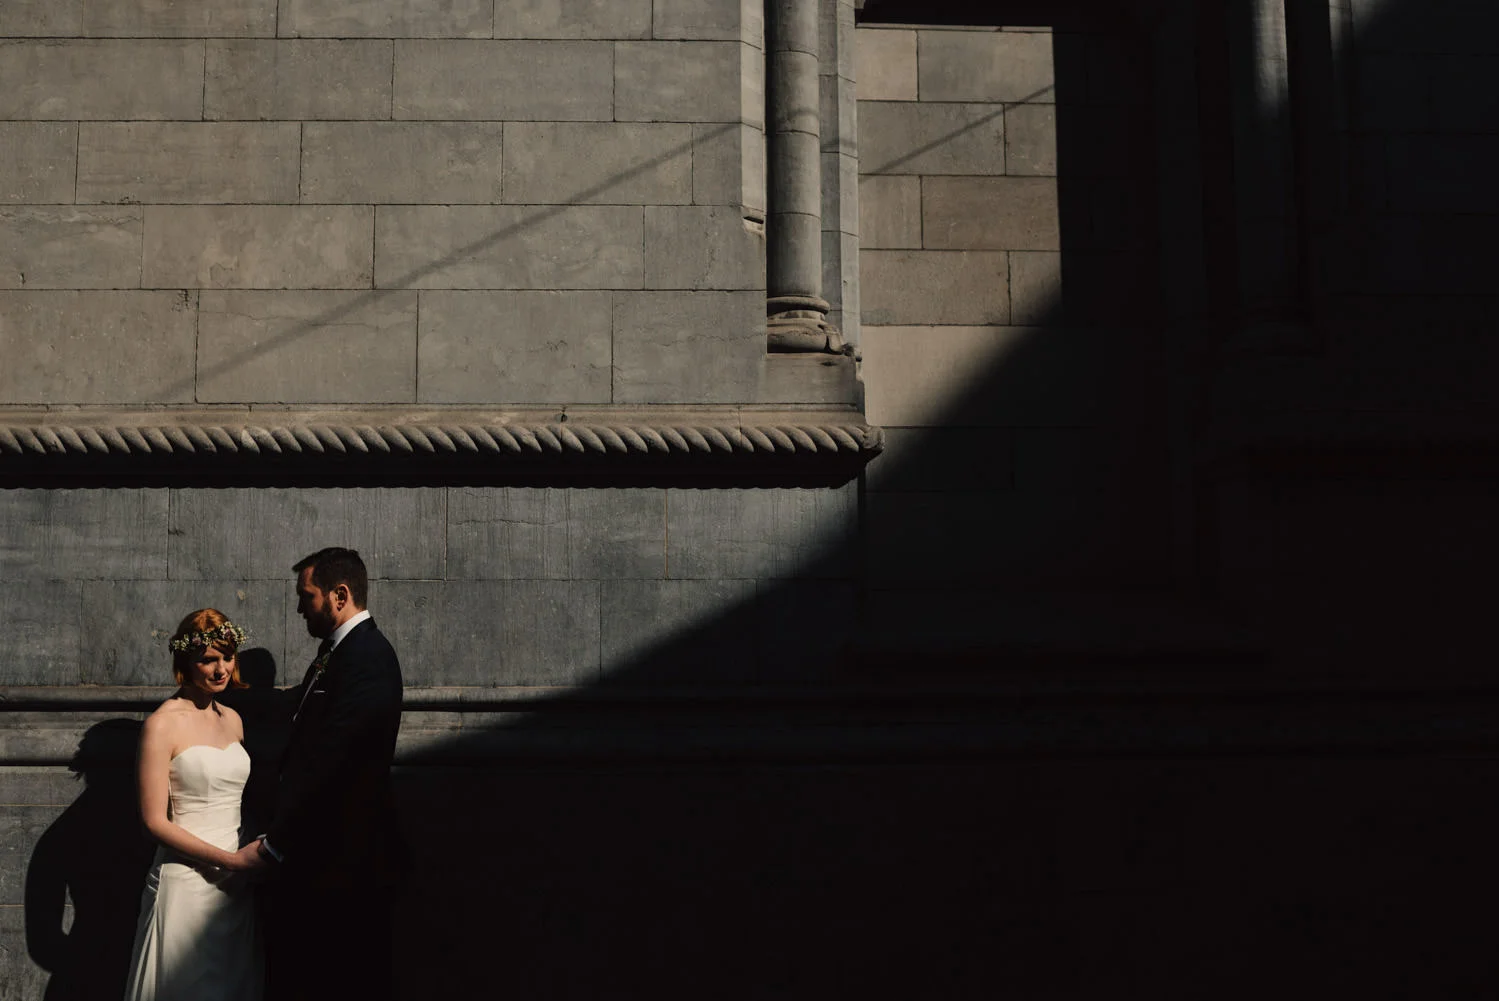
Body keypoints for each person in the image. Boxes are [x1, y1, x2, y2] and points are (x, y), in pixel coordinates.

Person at [232, 547, 406, 1001]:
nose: (298, 607)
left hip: (343, 867)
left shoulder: (367, 658)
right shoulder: (337, 651)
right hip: (322, 863)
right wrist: (211, 695)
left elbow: (336, 767)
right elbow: (298, 705)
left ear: (339, 595)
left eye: (306, 596)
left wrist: (273, 848)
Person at [123, 608, 263, 1001]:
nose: (221, 670)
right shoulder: (162, 724)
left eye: (227, 657)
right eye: (208, 659)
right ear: (186, 661)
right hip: (185, 883)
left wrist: (247, 857)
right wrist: (231, 860)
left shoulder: (233, 720)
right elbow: (153, 821)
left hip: (234, 888)